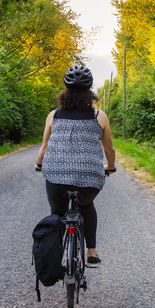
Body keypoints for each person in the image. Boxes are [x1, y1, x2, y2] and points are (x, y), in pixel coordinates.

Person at [35, 65, 117, 267]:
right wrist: (110, 167)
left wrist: (39, 164)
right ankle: (91, 252)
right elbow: (109, 150)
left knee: (57, 214)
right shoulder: (100, 116)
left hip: (55, 176)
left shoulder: (53, 115)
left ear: (66, 90)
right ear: (91, 91)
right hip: (90, 177)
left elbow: (44, 146)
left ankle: (54, 253)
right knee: (86, 205)